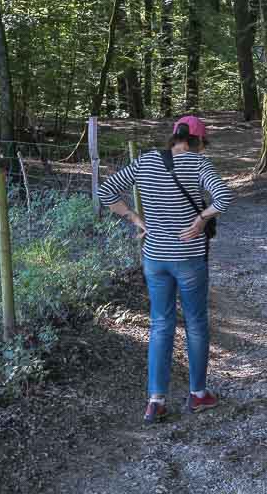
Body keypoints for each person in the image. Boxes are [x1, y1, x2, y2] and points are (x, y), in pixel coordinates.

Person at [98, 115, 232, 424]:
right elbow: (224, 198)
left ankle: (155, 401)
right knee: (196, 323)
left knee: (160, 324)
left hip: (155, 257)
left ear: (174, 137)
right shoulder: (199, 164)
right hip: (189, 258)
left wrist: (135, 219)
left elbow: (107, 191)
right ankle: (198, 394)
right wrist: (201, 219)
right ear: (199, 141)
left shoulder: (146, 161)